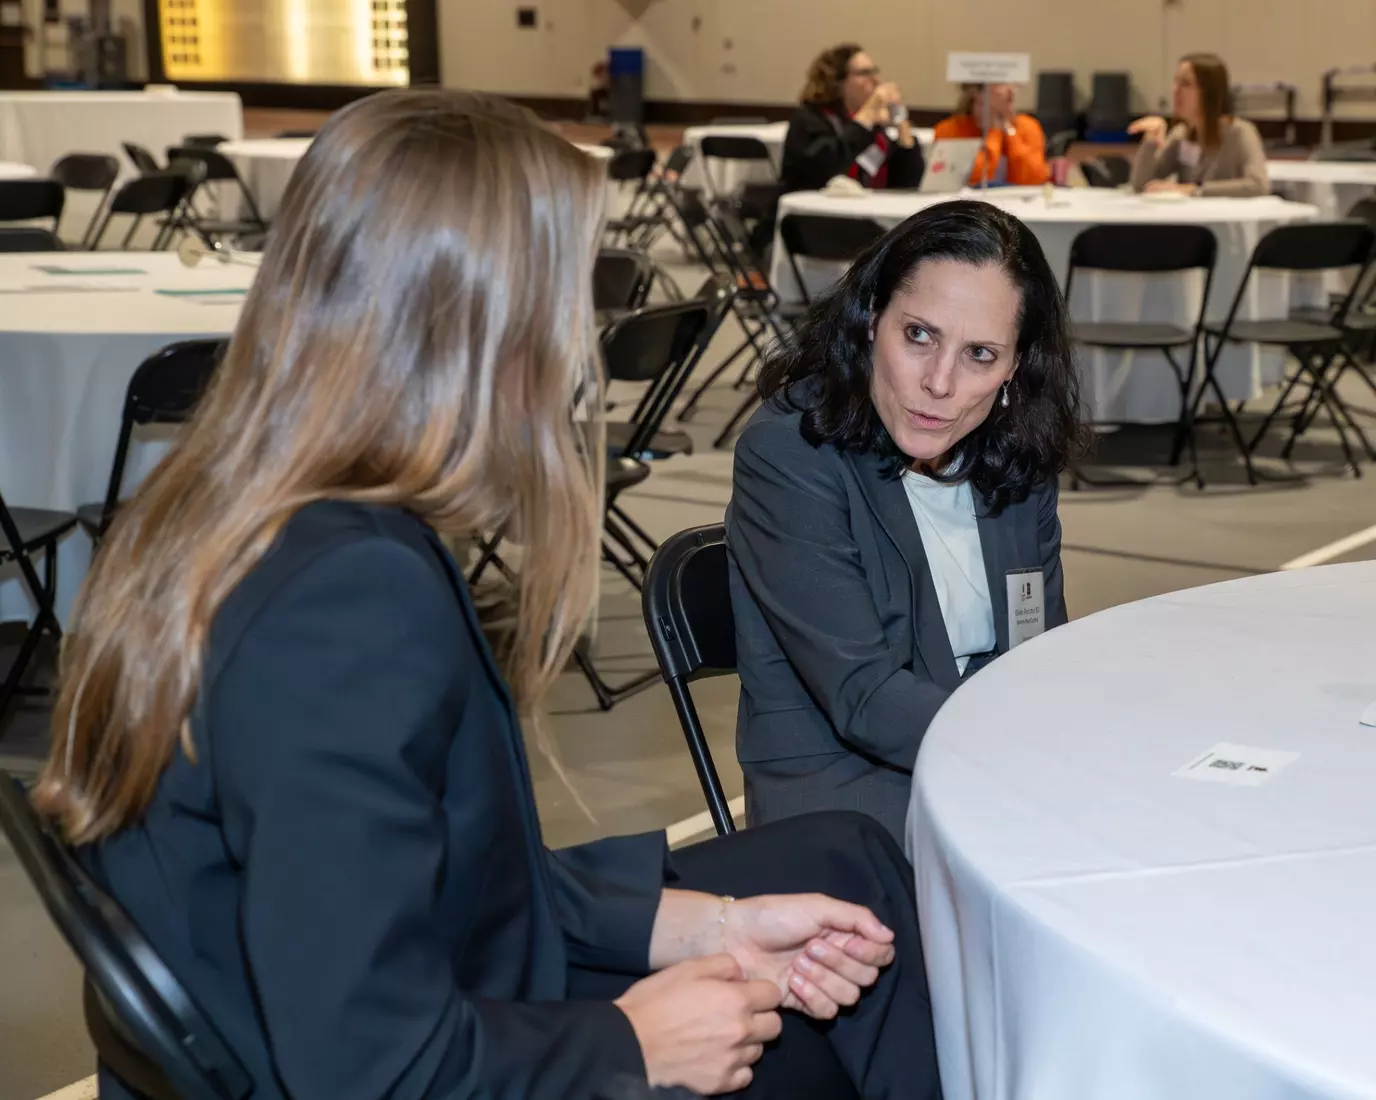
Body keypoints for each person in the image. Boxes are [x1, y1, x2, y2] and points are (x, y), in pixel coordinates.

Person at [31, 89, 941, 1100]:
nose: (576, 352)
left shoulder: (220, 506)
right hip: (404, 1056)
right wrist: (628, 1041)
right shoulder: (344, 605)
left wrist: (702, 924)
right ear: (478, 330)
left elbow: (438, 872)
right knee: (815, 1036)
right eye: (565, 304)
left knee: (848, 858)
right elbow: (364, 1063)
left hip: (379, 999)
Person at [726, 201, 1088, 843]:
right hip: (848, 796)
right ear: (870, 320)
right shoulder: (789, 454)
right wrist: (1034, 752)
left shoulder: (1015, 454)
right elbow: (865, 697)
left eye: (980, 353)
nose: (940, 383)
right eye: (918, 335)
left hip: (990, 763)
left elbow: (1037, 649)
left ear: (1015, 368)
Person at [780, 43, 925, 193]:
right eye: (864, 73)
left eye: (875, 71)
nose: (876, 80)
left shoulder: (874, 127)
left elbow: (908, 184)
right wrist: (868, 113)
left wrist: (900, 119)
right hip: (813, 211)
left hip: (868, 211)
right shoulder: (810, 119)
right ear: (838, 81)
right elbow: (828, 169)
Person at [1128, 52, 1269, 197]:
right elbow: (1141, 185)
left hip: (1226, 217)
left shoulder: (1240, 132)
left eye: (1186, 84)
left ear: (1209, 92)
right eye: (1176, 82)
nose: (1176, 91)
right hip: (1190, 217)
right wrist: (1151, 139)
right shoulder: (1182, 134)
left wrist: (1195, 190)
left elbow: (1258, 185)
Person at [933, 83, 1050, 186]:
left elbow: (1033, 179)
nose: (1011, 90)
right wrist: (993, 132)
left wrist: (1009, 131)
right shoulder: (950, 129)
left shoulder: (1027, 126)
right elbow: (975, 178)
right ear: (976, 98)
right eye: (1001, 84)